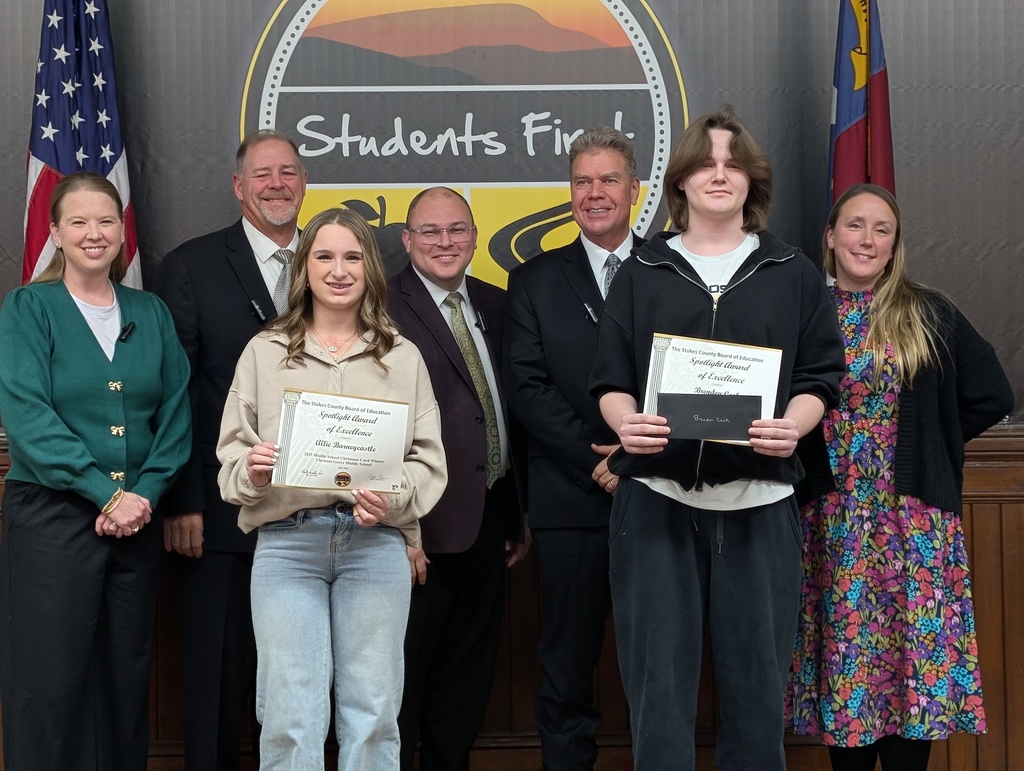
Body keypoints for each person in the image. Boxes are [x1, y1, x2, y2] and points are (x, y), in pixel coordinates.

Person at [588, 106, 846, 770]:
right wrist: (626, 422)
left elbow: (820, 377)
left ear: (752, 179)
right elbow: (609, 380)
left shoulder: (792, 271)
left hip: (761, 504)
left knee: (758, 693)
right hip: (656, 502)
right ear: (681, 180)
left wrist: (794, 424)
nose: (720, 174)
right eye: (706, 162)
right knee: (658, 692)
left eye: (734, 163)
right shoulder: (642, 270)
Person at [786, 183, 1014, 771]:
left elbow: (993, 394)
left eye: (881, 229)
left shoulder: (928, 312)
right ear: (830, 236)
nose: (867, 239)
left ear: (894, 245)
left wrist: (933, 443)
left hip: (915, 529)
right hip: (832, 526)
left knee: (915, 673)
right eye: (855, 225)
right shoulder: (801, 313)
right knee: (850, 673)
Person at [216, 207, 447, 768]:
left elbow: (428, 460)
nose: (338, 271)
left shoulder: (402, 356)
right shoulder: (264, 352)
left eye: (351, 258)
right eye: (323, 256)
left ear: (370, 269)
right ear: (304, 267)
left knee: (374, 714)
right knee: (290, 717)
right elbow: (231, 461)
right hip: (286, 545)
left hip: (376, 547)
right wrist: (254, 470)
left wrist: (392, 499)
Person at [0, 171, 191, 770]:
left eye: (106, 220)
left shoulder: (150, 311)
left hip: (136, 520)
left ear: (122, 230)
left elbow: (176, 416)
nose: (94, 233)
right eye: (78, 221)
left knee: (124, 679)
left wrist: (142, 495)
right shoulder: (29, 308)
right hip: (51, 518)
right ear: (55, 232)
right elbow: (27, 416)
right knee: (49, 681)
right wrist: (103, 494)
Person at [152, 129, 306, 770]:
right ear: (239, 187)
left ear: (305, 184)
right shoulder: (191, 266)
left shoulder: (334, 259)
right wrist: (183, 501)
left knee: (302, 685)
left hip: (318, 515)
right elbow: (176, 392)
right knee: (217, 678)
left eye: (288, 172)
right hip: (219, 515)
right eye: (263, 174)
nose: (277, 184)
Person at [505, 126, 640, 769]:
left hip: (663, 498)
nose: (595, 193)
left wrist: (634, 461)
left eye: (608, 179)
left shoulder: (676, 268)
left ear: (634, 190)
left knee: (664, 660)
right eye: (582, 181)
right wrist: (598, 461)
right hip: (571, 502)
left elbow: (694, 378)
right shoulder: (533, 279)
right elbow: (527, 388)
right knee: (565, 668)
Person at [388, 186, 528, 770]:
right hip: (416, 527)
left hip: (489, 517)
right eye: (430, 231)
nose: (444, 242)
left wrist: (515, 514)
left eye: (456, 230)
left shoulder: (496, 304)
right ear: (406, 240)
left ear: (474, 235)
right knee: (400, 683)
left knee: (465, 684)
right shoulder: (380, 306)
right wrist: (401, 529)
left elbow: (505, 408)